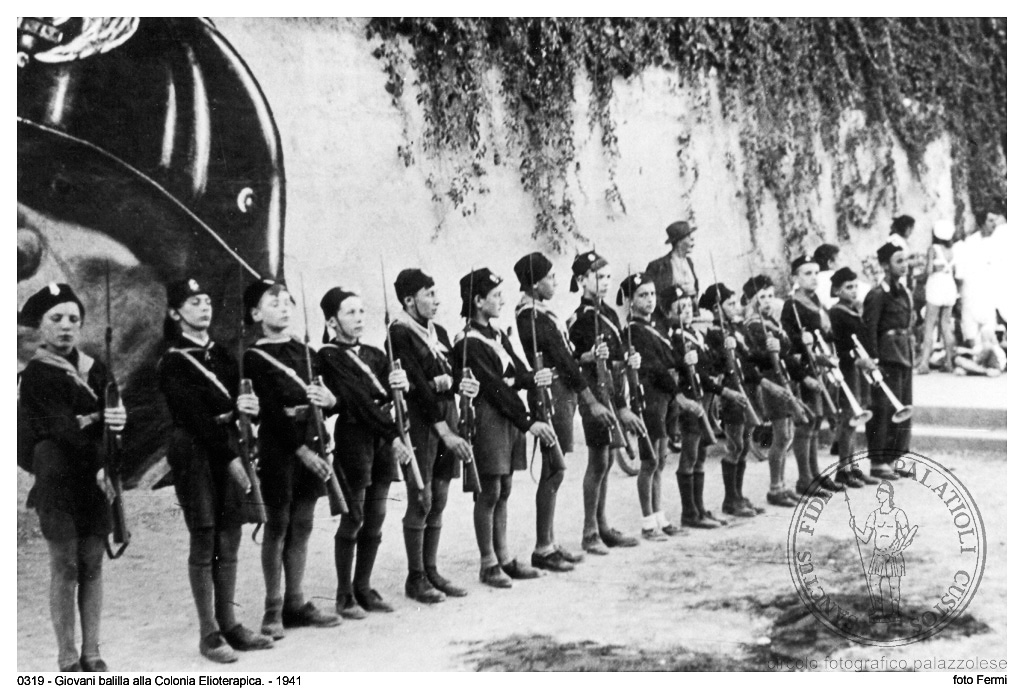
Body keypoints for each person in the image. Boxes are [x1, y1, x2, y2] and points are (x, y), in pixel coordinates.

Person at [158, 278, 274, 663]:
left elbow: (239, 401)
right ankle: (209, 633)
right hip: (195, 451)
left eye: (207, 300)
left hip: (227, 444)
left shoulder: (222, 354)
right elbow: (193, 416)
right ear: (176, 313)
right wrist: (231, 458)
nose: (204, 307)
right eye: (194, 302)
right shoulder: (172, 360)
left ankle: (230, 623)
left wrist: (250, 408)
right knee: (205, 535)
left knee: (230, 535)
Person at [19, 283, 127, 672]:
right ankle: (67, 655)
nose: (66, 326)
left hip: (95, 481)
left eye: (73, 319)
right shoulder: (36, 375)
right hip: (58, 480)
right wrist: (99, 456)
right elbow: (61, 429)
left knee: (92, 563)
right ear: (40, 326)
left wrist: (119, 420)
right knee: (65, 566)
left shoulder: (96, 370)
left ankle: (92, 651)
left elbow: (113, 428)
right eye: (56, 318)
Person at [242, 278, 341, 639]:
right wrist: (301, 451)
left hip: (312, 440)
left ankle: (295, 602)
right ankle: (272, 608)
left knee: (303, 523)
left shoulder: (307, 351)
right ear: (256, 314)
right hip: (279, 447)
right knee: (278, 525)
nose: (284, 308)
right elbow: (268, 410)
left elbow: (329, 399)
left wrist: (330, 401)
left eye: (287, 302)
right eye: (274, 303)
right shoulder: (253, 357)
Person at [452, 268, 559, 588]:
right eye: (495, 295)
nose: (501, 300)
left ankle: (505, 557)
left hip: (508, 415)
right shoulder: (468, 341)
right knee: (489, 490)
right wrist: (529, 422)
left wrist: (533, 378)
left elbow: (517, 371)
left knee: (505, 488)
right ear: (477, 301)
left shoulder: (497, 334)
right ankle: (488, 563)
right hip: (490, 415)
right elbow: (495, 387)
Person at [513, 253, 616, 571]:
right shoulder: (531, 315)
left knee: (555, 468)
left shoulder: (540, 313)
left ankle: (550, 542)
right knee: (553, 468)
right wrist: (591, 400)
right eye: (550, 277)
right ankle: (543, 548)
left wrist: (585, 357)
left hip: (561, 390)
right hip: (552, 393)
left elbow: (567, 355)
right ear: (534, 283)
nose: (556, 282)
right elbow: (561, 359)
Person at [316, 288, 416, 617]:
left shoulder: (375, 353)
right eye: (350, 313)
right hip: (355, 437)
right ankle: (344, 595)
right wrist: (393, 436)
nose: (359, 318)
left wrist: (401, 384)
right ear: (332, 321)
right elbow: (356, 399)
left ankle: (363, 586)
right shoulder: (327, 356)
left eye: (361, 311)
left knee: (376, 515)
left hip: (382, 438)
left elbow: (389, 394)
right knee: (354, 515)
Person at [388, 269, 479, 603]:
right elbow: (417, 387)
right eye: (429, 294)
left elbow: (449, 373)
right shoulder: (398, 333)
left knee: (439, 496)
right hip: (422, 421)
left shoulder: (437, 330)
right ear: (409, 300)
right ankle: (416, 578)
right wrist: (445, 430)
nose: (437, 300)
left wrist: (457, 383)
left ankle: (431, 570)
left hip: (446, 413)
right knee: (421, 498)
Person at [567, 252, 646, 554]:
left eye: (608, 277)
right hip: (592, 395)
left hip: (612, 390)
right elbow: (571, 360)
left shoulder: (610, 313)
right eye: (599, 277)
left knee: (608, 460)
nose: (605, 283)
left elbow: (619, 354)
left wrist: (629, 359)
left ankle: (603, 525)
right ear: (581, 280)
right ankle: (589, 532)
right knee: (598, 460)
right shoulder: (579, 319)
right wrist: (588, 356)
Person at [619, 272, 686, 540]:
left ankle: (659, 516)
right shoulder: (633, 331)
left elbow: (670, 358)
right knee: (649, 461)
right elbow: (655, 367)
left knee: (661, 460)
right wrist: (677, 391)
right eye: (642, 295)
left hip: (665, 396)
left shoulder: (657, 325)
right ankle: (648, 523)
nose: (649, 300)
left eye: (652, 294)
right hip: (651, 398)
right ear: (630, 301)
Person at [741, 275, 809, 507]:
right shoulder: (753, 326)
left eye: (770, 296)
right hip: (771, 380)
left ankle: (782, 485)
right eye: (762, 297)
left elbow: (786, 349)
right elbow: (755, 357)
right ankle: (774, 487)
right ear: (752, 301)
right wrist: (771, 350)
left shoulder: (771, 321)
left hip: (784, 377)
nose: (767, 301)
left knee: (787, 434)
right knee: (781, 435)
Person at [781, 254, 843, 496]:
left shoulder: (816, 300)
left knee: (817, 421)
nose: (814, 277)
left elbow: (825, 333)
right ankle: (804, 479)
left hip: (821, 366)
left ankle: (815, 474)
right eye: (807, 273)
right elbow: (787, 344)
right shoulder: (792, 305)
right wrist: (801, 342)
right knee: (806, 423)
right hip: (804, 369)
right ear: (795, 278)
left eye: (816, 273)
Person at [698, 283, 760, 519]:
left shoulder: (736, 328)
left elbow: (750, 354)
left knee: (744, 444)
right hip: (730, 394)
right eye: (729, 303)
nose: (735, 307)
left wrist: (740, 345)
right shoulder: (714, 333)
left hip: (745, 389)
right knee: (735, 445)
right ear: (717, 308)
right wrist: (725, 351)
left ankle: (739, 495)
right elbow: (713, 365)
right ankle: (730, 499)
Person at [664, 286, 722, 529]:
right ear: (670, 312)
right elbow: (672, 366)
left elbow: (707, 364)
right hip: (689, 400)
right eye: (680, 308)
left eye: (689, 306)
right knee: (690, 454)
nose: (687, 311)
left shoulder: (695, 333)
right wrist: (682, 361)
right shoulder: (673, 337)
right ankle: (689, 512)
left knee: (701, 454)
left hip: (704, 397)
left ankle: (699, 507)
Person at [862, 243, 914, 480]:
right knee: (883, 410)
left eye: (905, 260)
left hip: (904, 353)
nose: (904, 265)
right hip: (886, 356)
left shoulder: (903, 291)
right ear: (885, 265)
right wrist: (873, 360)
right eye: (898, 261)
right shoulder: (877, 294)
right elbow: (870, 329)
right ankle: (878, 461)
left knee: (903, 406)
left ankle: (895, 457)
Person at [827, 268, 880, 488]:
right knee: (849, 418)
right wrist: (858, 359)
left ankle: (853, 466)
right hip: (847, 369)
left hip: (859, 369)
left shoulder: (853, 309)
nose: (853, 290)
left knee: (857, 418)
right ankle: (843, 470)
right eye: (848, 287)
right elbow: (839, 347)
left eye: (855, 286)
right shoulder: (836, 313)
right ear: (837, 290)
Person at [849, 481, 916, 619]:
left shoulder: (898, 514)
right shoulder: (874, 515)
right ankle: (878, 610)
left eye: (881, 492)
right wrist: (854, 527)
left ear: (889, 495)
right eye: (878, 492)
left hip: (894, 554)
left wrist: (900, 547)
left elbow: (907, 536)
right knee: (874, 583)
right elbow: (866, 537)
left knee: (894, 586)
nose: (878, 495)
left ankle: (895, 613)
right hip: (878, 554)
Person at [955, 211, 1002, 347]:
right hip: (971, 295)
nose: (994, 224)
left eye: (995, 220)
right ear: (982, 223)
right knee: (972, 338)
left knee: (989, 337)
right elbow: (961, 272)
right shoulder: (970, 243)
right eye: (990, 221)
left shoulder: (998, 243)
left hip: (989, 297)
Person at [917, 220, 958, 374]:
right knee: (946, 325)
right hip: (949, 285)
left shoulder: (933, 249)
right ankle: (949, 362)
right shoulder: (952, 250)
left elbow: (928, 271)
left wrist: (920, 276)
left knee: (929, 325)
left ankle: (924, 363)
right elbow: (954, 271)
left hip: (936, 285)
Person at [645, 220, 700, 309]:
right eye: (688, 236)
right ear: (678, 242)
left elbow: (694, 291)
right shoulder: (659, 266)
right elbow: (654, 296)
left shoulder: (689, 262)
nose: (692, 238)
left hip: (690, 314)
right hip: (670, 315)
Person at [812, 244, 841, 308]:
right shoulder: (836, 277)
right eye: (839, 260)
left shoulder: (809, 279)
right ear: (830, 263)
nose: (841, 263)